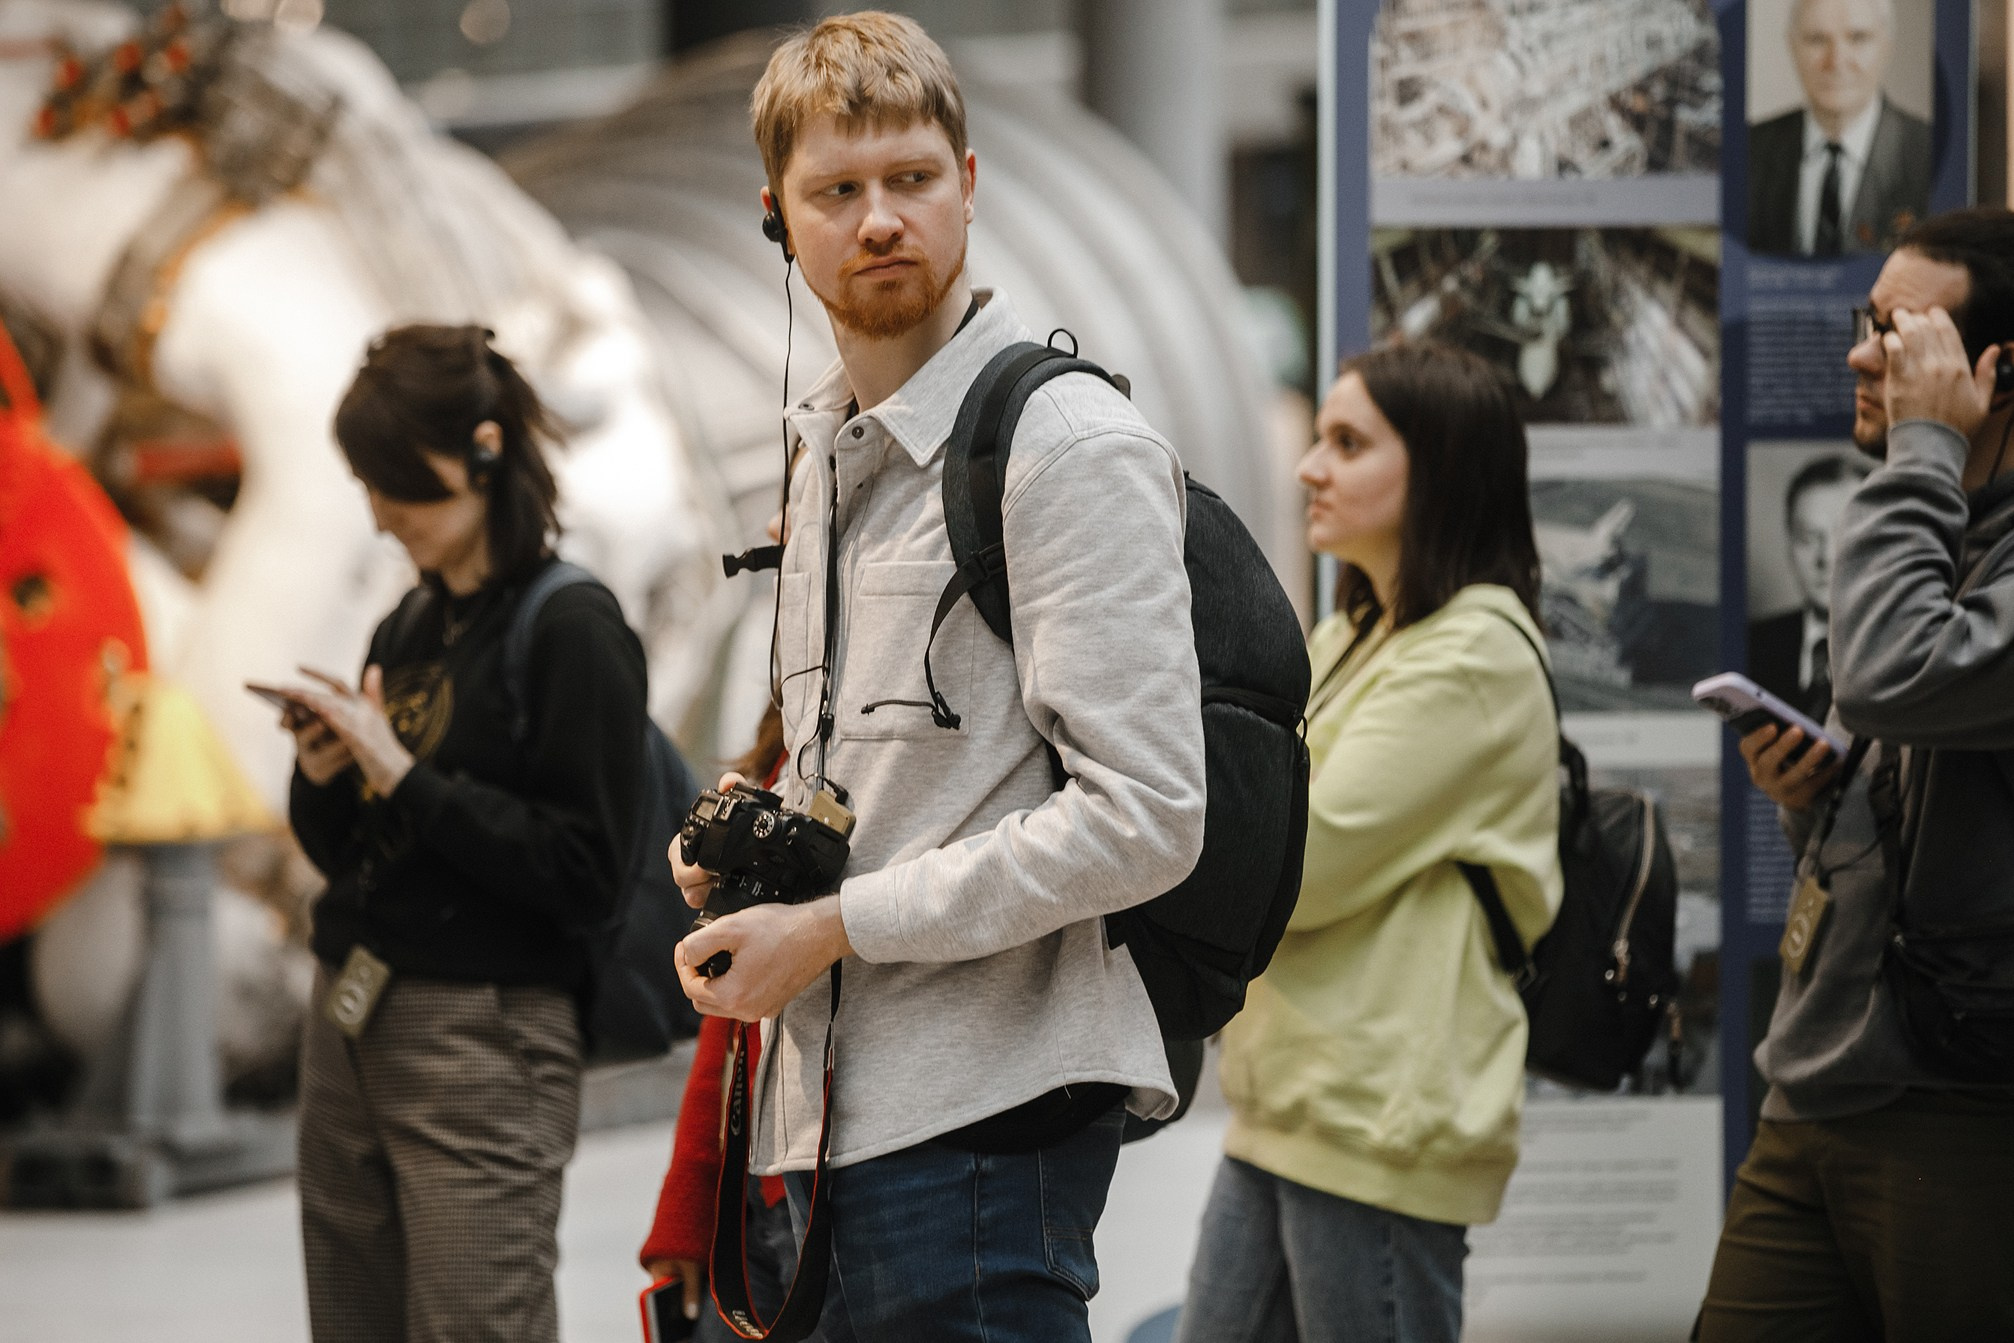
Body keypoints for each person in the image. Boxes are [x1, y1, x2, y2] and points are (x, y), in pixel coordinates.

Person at [668, 13, 1205, 1341]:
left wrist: (835, 926)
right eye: (835, 192)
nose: (880, 220)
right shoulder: (819, 454)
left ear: (969, 182)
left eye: (911, 178)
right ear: (777, 222)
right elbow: (868, 772)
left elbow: (1148, 812)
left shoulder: (1064, 446)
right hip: (820, 1119)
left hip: (980, 1122)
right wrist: (746, 832)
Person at [1176, 342, 1563, 1343]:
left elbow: (1295, 867)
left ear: (1437, 468)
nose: (1310, 467)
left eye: (1347, 443)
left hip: (1376, 1123)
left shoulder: (1476, 649)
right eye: (1318, 440)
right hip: (1295, 1108)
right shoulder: (1356, 632)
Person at [283, 323, 648, 1343]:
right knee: (350, 1319)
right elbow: (362, 848)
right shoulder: (409, 623)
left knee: (474, 1325)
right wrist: (327, 777)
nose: (383, 509)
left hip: (483, 1031)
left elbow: (585, 869)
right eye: (368, 480)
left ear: (485, 452)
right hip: (350, 1008)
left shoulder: (572, 627)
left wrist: (401, 775)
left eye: (403, 479)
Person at [1701, 207, 2014, 1340]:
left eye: (1898, 331)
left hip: (1959, 1106)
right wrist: (1813, 798)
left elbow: (1892, 677)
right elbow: (1892, 748)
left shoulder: (1916, 507)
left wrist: (1925, 447)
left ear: (1996, 370)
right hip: (1815, 1076)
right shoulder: (1926, 521)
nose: (1858, 354)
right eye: (1862, 320)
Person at [1747, 0, 1930, 258]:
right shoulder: (1747, 151)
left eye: (1857, 38)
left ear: (1887, 46)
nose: (1836, 61)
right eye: (1817, 39)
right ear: (1792, 46)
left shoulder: (1929, 153)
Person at [1747, 453, 1870, 714]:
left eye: (1844, 536)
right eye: (1808, 538)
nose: (1825, 557)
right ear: (1789, 546)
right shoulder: (1751, 646)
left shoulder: (1911, 649)